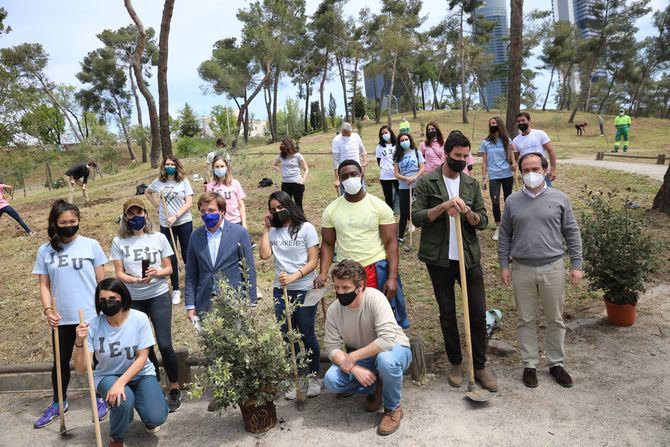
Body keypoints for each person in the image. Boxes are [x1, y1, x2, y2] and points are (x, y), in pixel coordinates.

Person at [411, 130, 497, 392]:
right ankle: (456, 362)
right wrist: (443, 207)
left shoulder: (470, 185)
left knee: (477, 311)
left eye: (466, 155)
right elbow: (416, 217)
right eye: (458, 155)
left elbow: (483, 221)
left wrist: (467, 211)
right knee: (447, 312)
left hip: (468, 258)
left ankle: (480, 366)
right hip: (439, 259)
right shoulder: (427, 182)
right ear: (446, 153)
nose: (462, 159)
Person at [498, 152, 583, 389]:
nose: (531, 174)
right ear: (520, 173)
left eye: (535, 169)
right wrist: (504, 264)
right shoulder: (513, 201)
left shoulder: (560, 199)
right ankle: (530, 364)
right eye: (526, 170)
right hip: (521, 269)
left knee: (555, 318)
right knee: (526, 319)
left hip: (553, 267)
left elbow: (572, 233)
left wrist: (577, 265)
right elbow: (504, 234)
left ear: (545, 170)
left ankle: (556, 363)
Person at [32, 199, 109, 429]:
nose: (68, 225)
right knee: (60, 362)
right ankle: (59, 403)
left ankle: (100, 398)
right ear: (55, 223)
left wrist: (103, 306)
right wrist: (48, 310)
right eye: (63, 222)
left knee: (94, 360)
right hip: (61, 317)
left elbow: (102, 280)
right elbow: (44, 285)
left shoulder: (91, 245)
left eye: (73, 221)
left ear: (79, 221)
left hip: (90, 314)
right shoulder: (45, 250)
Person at [74, 279, 169, 447]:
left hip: (141, 374)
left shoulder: (139, 319)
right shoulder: (92, 326)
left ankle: (144, 413)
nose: (107, 303)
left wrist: (121, 382)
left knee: (157, 416)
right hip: (108, 375)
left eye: (112, 298)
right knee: (122, 400)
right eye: (102, 300)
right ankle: (116, 438)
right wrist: (79, 342)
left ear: (123, 298)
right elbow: (82, 368)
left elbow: (142, 357)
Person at [315, 160, 409, 329]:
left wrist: (392, 277)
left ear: (362, 176)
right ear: (340, 180)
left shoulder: (379, 206)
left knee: (381, 318)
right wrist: (323, 273)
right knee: (353, 322)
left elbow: (391, 243)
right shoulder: (331, 210)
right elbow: (328, 244)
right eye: (344, 176)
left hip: (375, 269)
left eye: (353, 174)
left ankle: (385, 352)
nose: (350, 179)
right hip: (346, 274)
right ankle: (357, 354)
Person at [323, 260, 412, 436]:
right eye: (337, 287)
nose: (340, 293)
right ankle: (375, 386)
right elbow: (332, 347)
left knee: (385, 361)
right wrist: (355, 369)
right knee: (331, 380)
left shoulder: (375, 298)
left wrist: (352, 357)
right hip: (364, 356)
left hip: (395, 348)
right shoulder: (334, 310)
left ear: (360, 286)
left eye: (345, 288)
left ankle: (393, 408)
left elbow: (386, 340)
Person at [110, 197, 182, 412]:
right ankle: (154, 386)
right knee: (144, 347)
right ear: (125, 217)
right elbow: (119, 273)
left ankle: (175, 387)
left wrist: (156, 272)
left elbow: (170, 268)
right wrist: (133, 280)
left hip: (158, 294)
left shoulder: (158, 237)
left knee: (165, 343)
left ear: (146, 214)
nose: (135, 217)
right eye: (130, 214)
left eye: (138, 213)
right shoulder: (118, 242)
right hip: (133, 299)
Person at [259, 191, 321, 399]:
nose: (277, 211)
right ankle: (293, 377)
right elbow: (264, 254)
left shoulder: (306, 228)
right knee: (287, 334)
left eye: (280, 207)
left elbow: (314, 261)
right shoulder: (274, 232)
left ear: (289, 206)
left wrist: (295, 276)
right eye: (273, 209)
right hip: (281, 289)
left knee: (306, 333)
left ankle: (313, 376)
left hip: (304, 288)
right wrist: (266, 229)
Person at [185, 192, 257, 317]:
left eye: (211, 210)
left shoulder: (239, 233)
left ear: (222, 211)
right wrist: (190, 305)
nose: (207, 214)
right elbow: (191, 273)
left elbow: (249, 270)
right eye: (203, 211)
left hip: (235, 301)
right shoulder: (195, 236)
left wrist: (251, 302)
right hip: (206, 303)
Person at [145, 155, 194, 305]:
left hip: (184, 221)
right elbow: (147, 192)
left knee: (187, 254)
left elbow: (190, 202)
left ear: (177, 166)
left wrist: (176, 215)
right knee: (170, 256)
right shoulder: (159, 182)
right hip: (166, 224)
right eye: (167, 164)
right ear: (163, 166)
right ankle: (176, 289)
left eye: (172, 164)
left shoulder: (183, 181)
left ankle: (191, 285)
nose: (169, 166)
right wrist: (156, 206)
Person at [480, 116, 516, 241]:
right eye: (491, 123)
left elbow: (512, 159)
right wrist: (484, 178)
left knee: (508, 200)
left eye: (494, 123)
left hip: (507, 174)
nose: (492, 125)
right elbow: (484, 161)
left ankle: (508, 225)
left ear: (499, 124)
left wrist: (513, 164)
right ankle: (498, 226)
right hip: (494, 175)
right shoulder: (485, 142)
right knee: (494, 200)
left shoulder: (507, 140)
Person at [393, 132, 425, 244]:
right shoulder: (397, 156)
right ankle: (400, 237)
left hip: (417, 186)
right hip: (404, 187)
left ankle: (423, 233)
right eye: (401, 140)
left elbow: (422, 168)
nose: (404, 142)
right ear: (399, 143)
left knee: (418, 209)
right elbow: (396, 174)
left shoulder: (417, 153)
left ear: (410, 140)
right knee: (404, 212)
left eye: (406, 139)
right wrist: (406, 178)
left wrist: (415, 177)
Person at [513, 112, 557, 186]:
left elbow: (551, 151)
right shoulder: (516, 140)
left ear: (529, 121)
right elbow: (515, 159)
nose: (521, 123)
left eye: (523, 120)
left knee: (546, 195)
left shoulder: (540, 134)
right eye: (518, 121)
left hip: (541, 170)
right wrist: (514, 163)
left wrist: (553, 169)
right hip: (527, 173)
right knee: (530, 195)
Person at [205, 155, 248, 228]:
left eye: (222, 166)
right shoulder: (210, 187)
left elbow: (241, 205)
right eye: (217, 167)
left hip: (235, 222)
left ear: (226, 167)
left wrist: (244, 223)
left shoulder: (235, 183)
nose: (220, 169)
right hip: (218, 223)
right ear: (213, 169)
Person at [272, 137, 309, 210]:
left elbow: (306, 169)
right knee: (286, 205)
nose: (285, 151)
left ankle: (300, 220)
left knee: (298, 205)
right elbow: (274, 165)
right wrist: (282, 171)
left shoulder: (298, 156)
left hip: (297, 184)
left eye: (286, 149)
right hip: (285, 183)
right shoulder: (281, 156)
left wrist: (302, 180)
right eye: (283, 150)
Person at [331, 122, 368, 191]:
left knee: (361, 191)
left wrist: (365, 161)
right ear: (342, 131)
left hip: (357, 169)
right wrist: (337, 179)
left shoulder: (356, 136)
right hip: (344, 171)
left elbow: (363, 151)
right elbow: (335, 160)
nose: (348, 135)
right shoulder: (336, 140)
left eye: (349, 133)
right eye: (346, 133)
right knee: (346, 193)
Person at [375, 125, 398, 211]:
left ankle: (403, 214)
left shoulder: (397, 145)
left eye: (386, 132)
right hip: (385, 176)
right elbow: (379, 161)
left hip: (397, 175)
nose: (384, 135)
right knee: (388, 197)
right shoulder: (379, 147)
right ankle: (389, 214)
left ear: (390, 132)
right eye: (382, 133)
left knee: (401, 195)